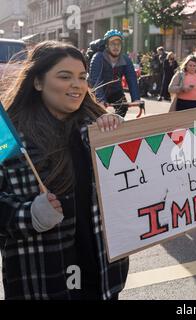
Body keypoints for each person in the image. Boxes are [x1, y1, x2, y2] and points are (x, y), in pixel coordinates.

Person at [0, 41, 129, 300]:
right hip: (43, 282)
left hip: (103, 277)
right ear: (37, 82)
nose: (77, 85)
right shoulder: (12, 142)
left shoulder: (95, 130)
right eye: (64, 76)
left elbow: (134, 186)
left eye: (82, 77)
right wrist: (29, 215)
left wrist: (120, 134)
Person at [88, 29, 140, 118]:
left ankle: (116, 126)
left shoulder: (125, 59)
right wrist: (100, 100)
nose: (116, 47)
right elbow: (96, 80)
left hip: (115, 91)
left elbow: (132, 79)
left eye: (118, 44)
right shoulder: (98, 57)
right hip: (96, 90)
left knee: (123, 107)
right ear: (107, 45)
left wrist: (136, 99)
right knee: (95, 114)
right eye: (112, 44)